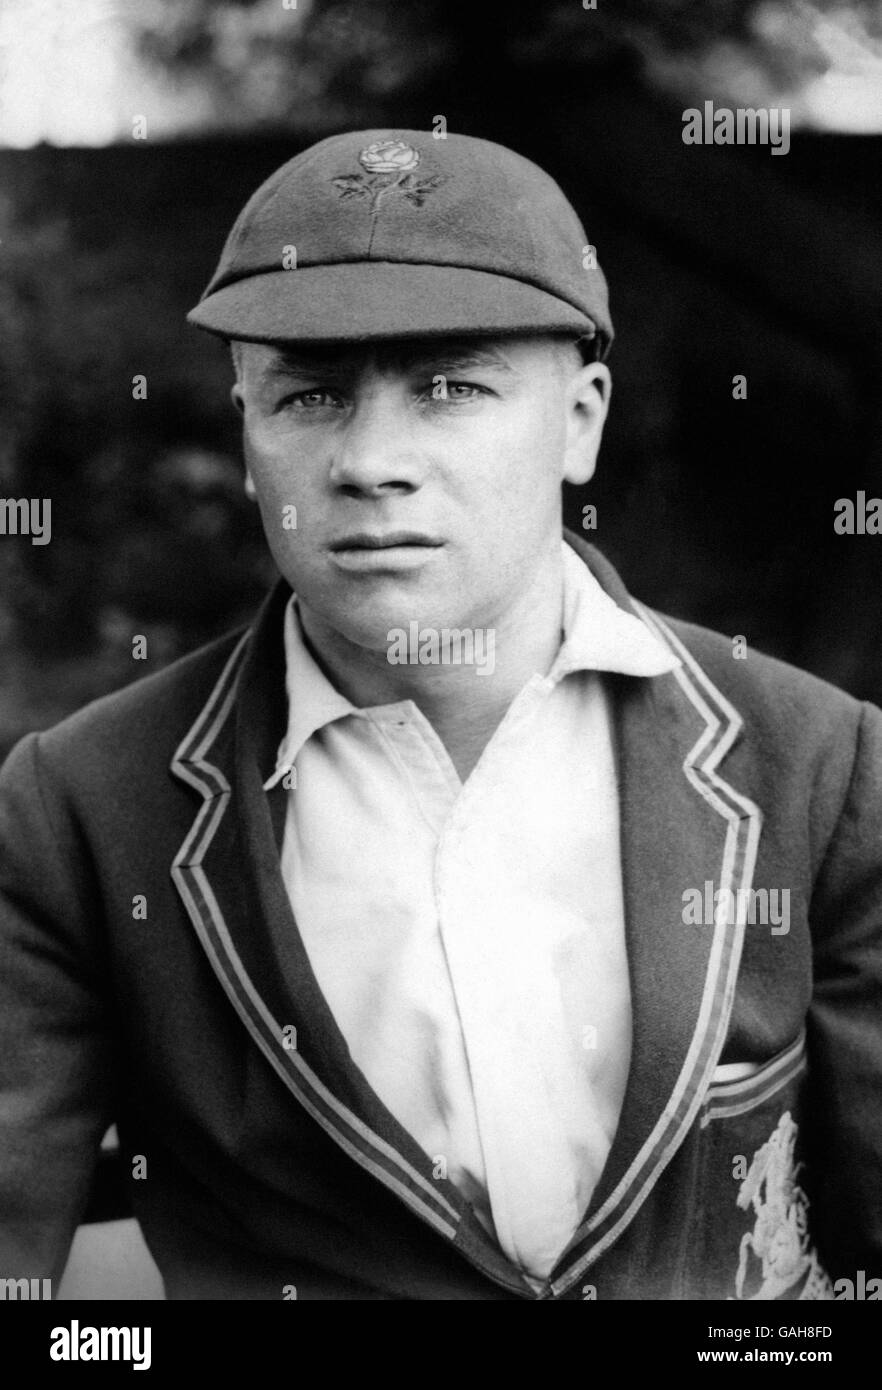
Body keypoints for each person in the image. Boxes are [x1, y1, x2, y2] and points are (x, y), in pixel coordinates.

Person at [0, 129, 879, 1302]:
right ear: (245, 430)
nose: (370, 461)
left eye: (451, 386)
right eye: (309, 396)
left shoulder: (819, 766)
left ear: (581, 421)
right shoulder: (81, 806)